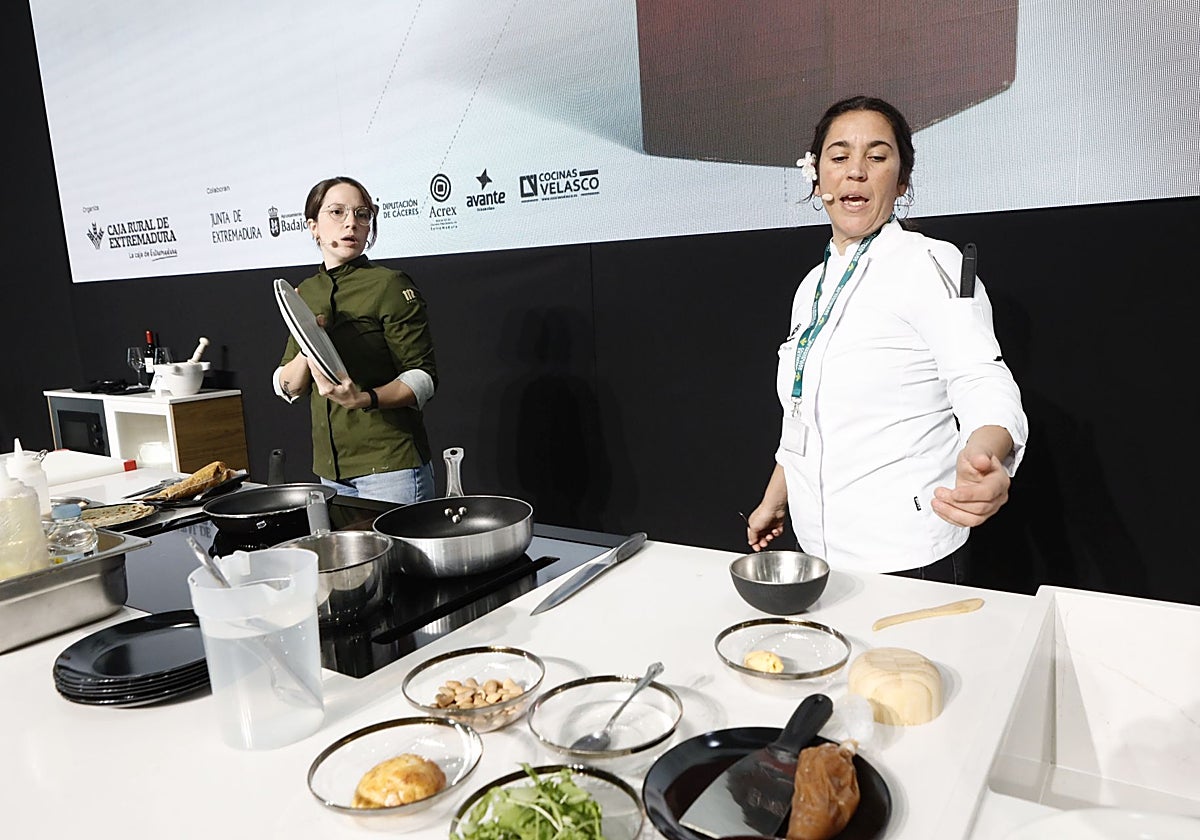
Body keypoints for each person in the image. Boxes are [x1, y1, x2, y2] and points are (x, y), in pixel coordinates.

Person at [745, 96, 1028, 583]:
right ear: (817, 179)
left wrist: (988, 455)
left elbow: (982, 378)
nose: (855, 171)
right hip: (819, 550)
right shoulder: (812, 285)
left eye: (876, 157)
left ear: (901, 182)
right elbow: (803, 411)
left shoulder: (931, 264)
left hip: (907, 556)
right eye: (838, 157)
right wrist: (777, 496)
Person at [273, 175, 438, 504]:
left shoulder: (388, 284)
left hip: (391, 467)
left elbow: (422, 378)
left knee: (401, 557)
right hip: (330, 473)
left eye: (362, 214)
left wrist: (363, 399)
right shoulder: (303, 292)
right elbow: (287, 384)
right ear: (313, 226)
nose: (351, 223)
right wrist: (310, 345)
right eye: (337, 212)